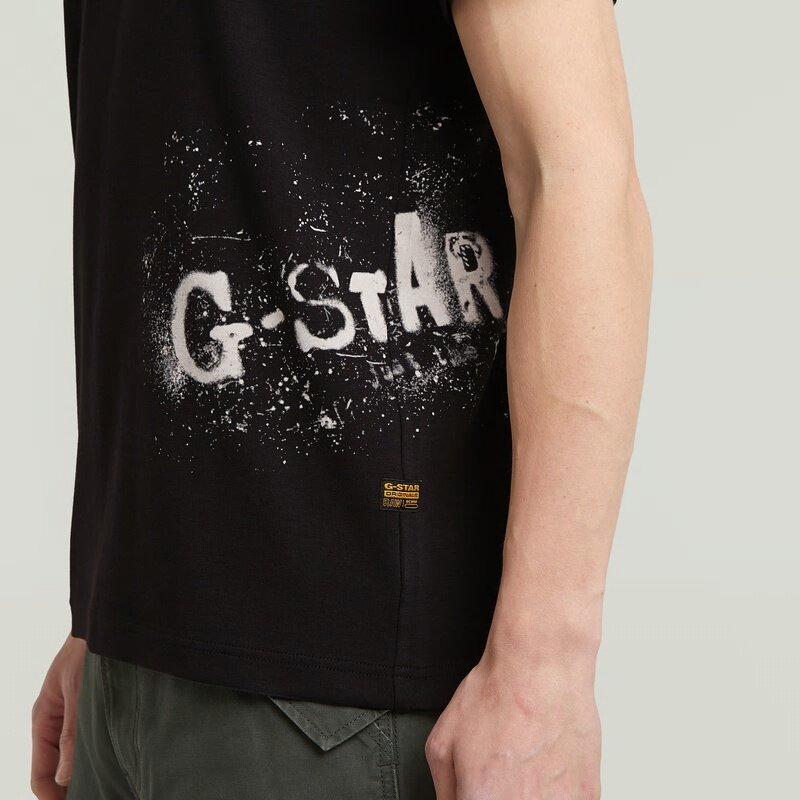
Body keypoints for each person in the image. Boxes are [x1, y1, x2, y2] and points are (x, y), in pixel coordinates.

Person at [30, 0, 651, 797]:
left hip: (340, 694)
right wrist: (107, 608)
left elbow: (579, 180)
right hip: (138, 659)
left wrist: (547, 670)